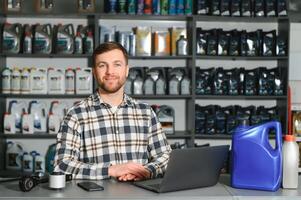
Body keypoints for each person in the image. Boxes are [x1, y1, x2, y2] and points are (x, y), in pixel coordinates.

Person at [54, 42, 171, 181]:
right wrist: (111, 170)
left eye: (117, 64)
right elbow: (61, 165)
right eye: (102, 65)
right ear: (94, 71)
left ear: (127, 70)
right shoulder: (76, 114)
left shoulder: (145, 112)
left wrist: (146, 171)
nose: (110, 71)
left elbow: (165, 157)